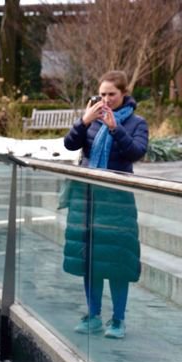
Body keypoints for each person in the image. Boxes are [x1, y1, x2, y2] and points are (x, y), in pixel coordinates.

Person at [63, 70, 148, 339]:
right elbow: (69, 144)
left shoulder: (136, 123)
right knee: (91, 260)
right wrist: (83, 121)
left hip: (117, 201)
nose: (106, 99)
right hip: (87, 198)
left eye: (111, 94)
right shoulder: (92, 119)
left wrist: (115, 128)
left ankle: (118, 319)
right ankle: (93, 315)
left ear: (124, 94)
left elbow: (136, 152)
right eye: (102, 94)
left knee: (117, 261)